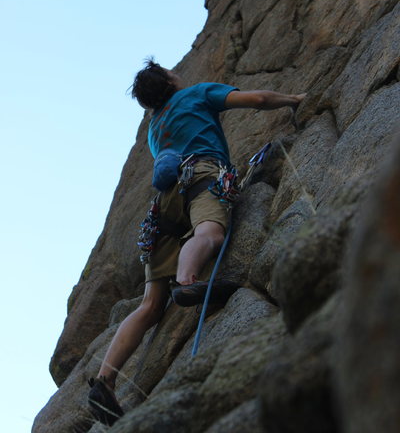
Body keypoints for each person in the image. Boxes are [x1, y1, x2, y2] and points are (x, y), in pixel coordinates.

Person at [88, 59, 305, 425]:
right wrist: (293, 98)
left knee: (149, 304)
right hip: (202, 177)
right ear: (171, 81)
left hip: (161, 207)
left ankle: (105, 379)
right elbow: (257, 99)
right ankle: (188, 282)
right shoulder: (197, 93)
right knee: (210, 233)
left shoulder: (156, 128)